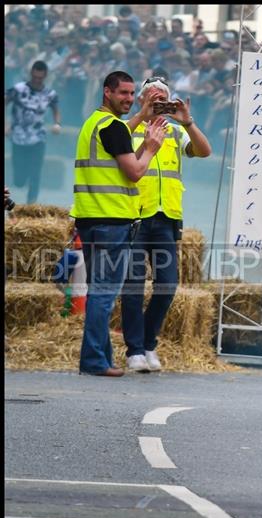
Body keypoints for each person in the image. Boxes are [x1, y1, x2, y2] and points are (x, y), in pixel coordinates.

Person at [70, 71, 166, 377]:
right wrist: (151, 147)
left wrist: (140, 117)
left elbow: (121, 156)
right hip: (111, 221)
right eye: (122, 93)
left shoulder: (94, 123)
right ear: (107, 92)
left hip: (91, 218)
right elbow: (136, 172)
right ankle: (95, 361)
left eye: (131, 93)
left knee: (100, 291)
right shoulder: (112, 127)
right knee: (103, 293)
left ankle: (99, 359)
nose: (127, 98)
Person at [119, 76, 212, 373]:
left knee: (167, 285)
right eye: (152, 98)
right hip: (135, 215)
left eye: (164, 99)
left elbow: (204, 151)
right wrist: (146, 140)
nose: (158, 104)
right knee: (133, 286)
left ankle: (148, 343)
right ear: (141, 100)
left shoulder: (174, 130)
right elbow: (122, 165)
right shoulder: (128, 128)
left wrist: (188, 121)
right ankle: (134, 350)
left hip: (167, 216)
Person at [4, 61, 61, 204]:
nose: (37, 80)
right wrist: (6, 124)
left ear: (45, 76)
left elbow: (56, 109)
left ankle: (31, 203)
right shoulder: (18, 89)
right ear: (31, 74)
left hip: (38, 137)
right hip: (18, 137)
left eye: (40, 78)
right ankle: (21, 180)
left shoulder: (50, 94)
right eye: (35, 77)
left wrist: (56, 123)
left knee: (36, 172)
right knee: (19, 179)